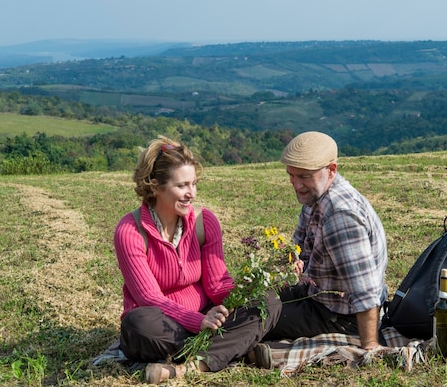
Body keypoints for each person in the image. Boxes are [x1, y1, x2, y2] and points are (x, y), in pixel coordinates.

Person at [114, 136, 280, 384]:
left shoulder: (205, 222)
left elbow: (217, 285)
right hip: (165, 324)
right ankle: (235, 349)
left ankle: (189, 366)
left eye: (193, 184)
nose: (191, 194)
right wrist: (198, 321)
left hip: (206, 315)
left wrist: (242, 297)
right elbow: (149, 298)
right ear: (155, 186)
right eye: (182, 186)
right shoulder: (130, 231)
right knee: (138, 325)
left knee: (268, 301)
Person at [263, 131, 388, 350]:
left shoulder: (340, 216)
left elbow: (364, 291)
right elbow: (299, 250)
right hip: (317, 293)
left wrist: (369, 344)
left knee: (257, 316)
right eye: (291, 175)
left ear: (331, 170)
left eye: (304, 176)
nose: (296, 184)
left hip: (341, 317)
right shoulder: (315, 198)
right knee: (252, 299)